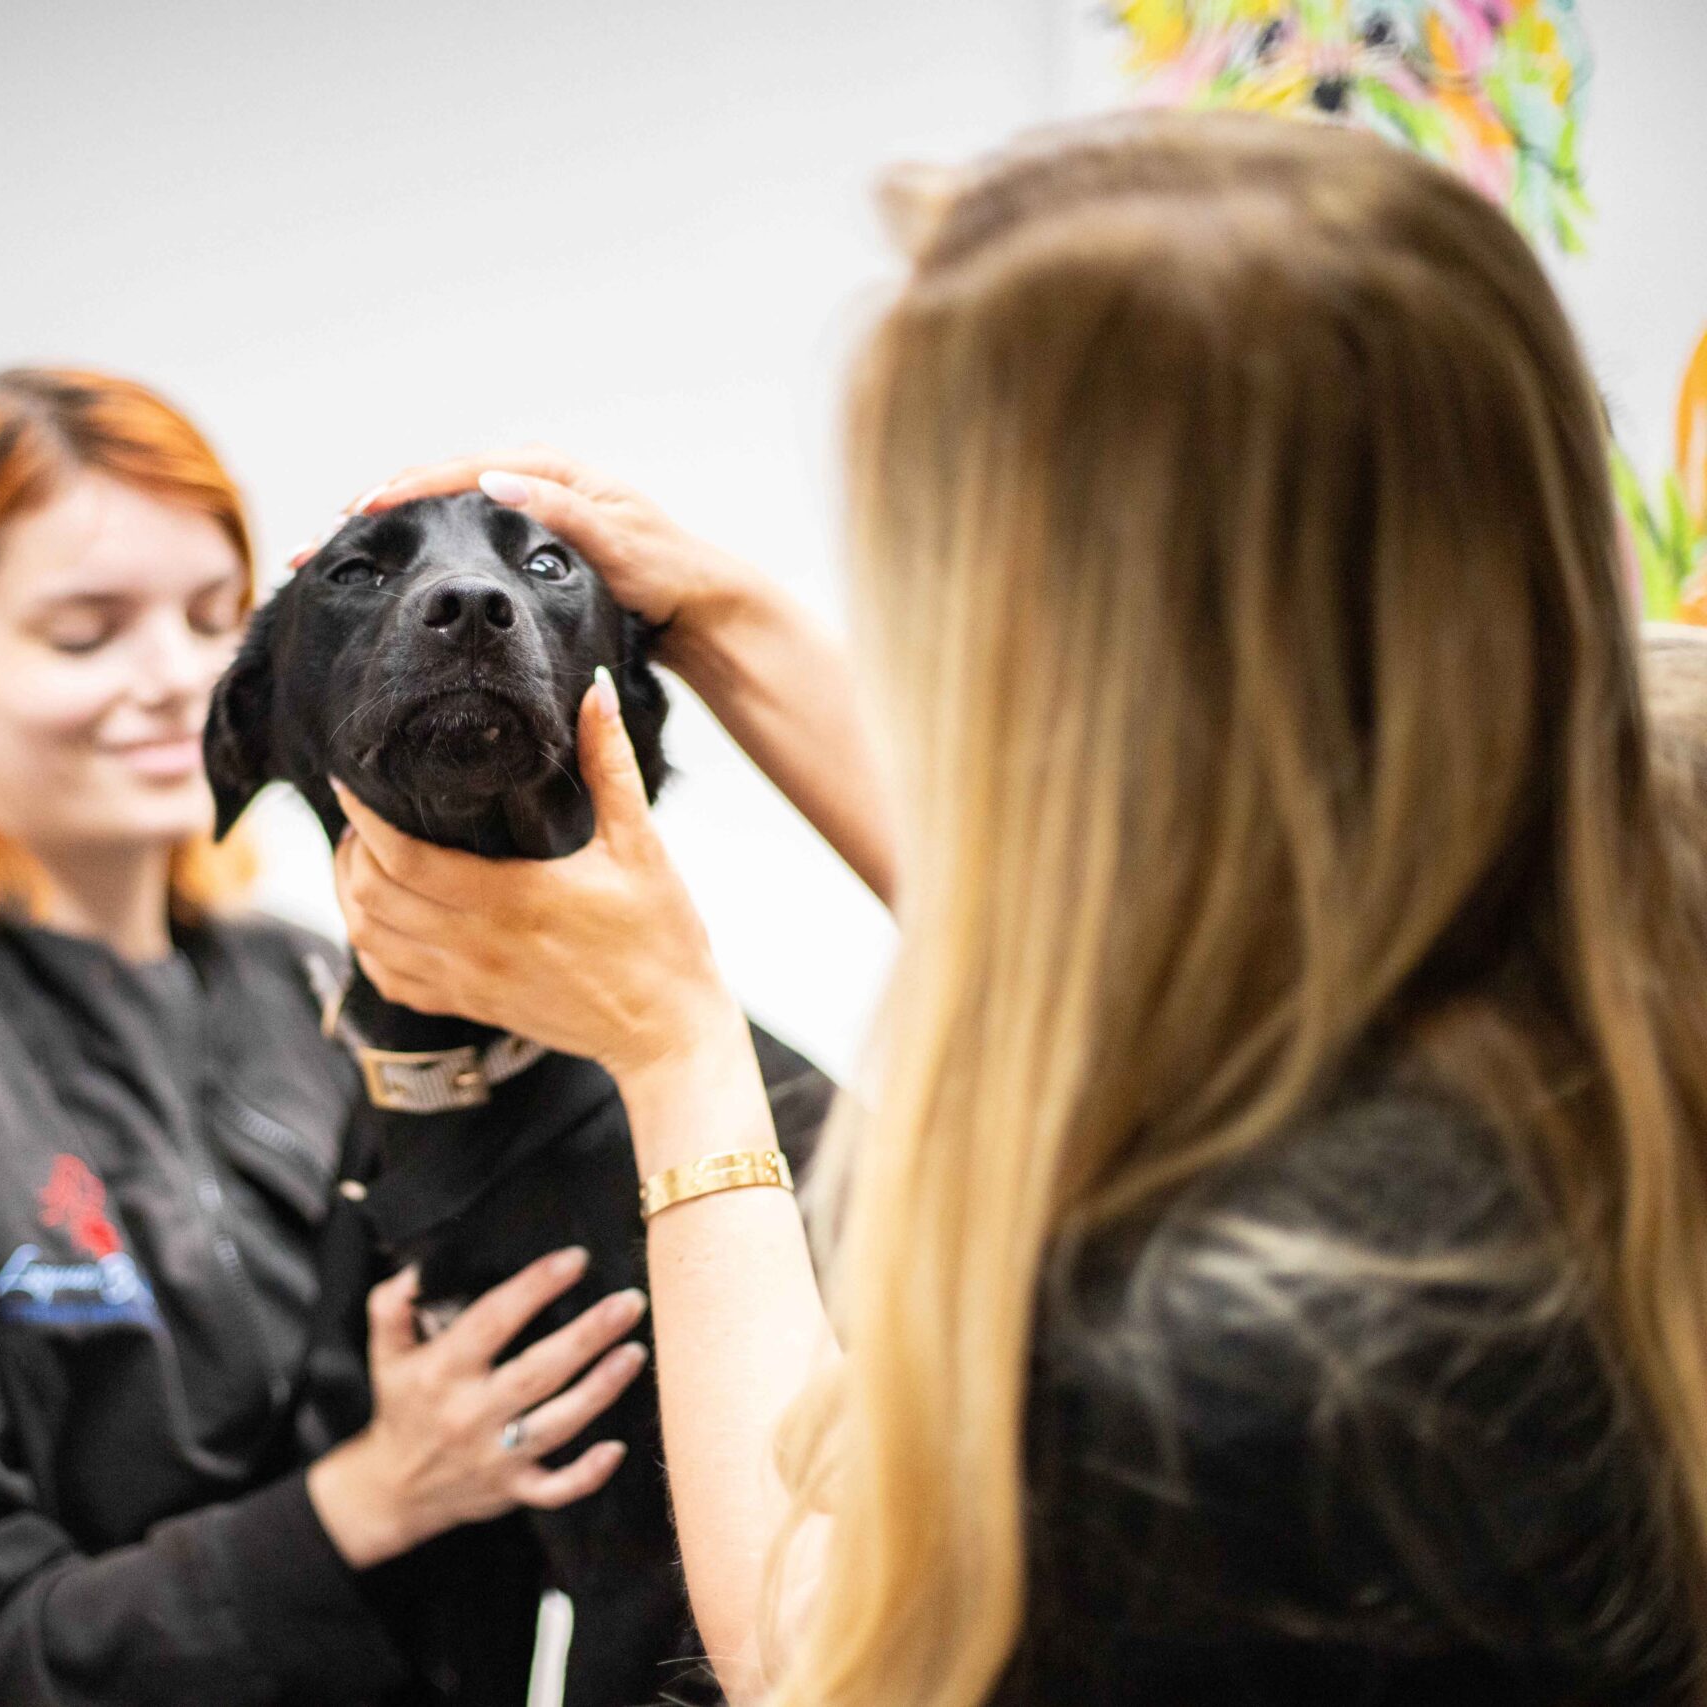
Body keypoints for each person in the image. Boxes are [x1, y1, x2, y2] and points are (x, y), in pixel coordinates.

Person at [326, 114, 1707, 1705]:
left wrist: (675, 1048)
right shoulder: (1615, 910)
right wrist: (737, 618)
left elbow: (823, 1653)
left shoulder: (1222, 1349)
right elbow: (1220, 921)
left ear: (1086, 654)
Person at [0, 368, 652, 1707]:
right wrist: (365, 1500)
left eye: (213, 616)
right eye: (86, 633)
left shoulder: (331, 996)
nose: (172, 677)